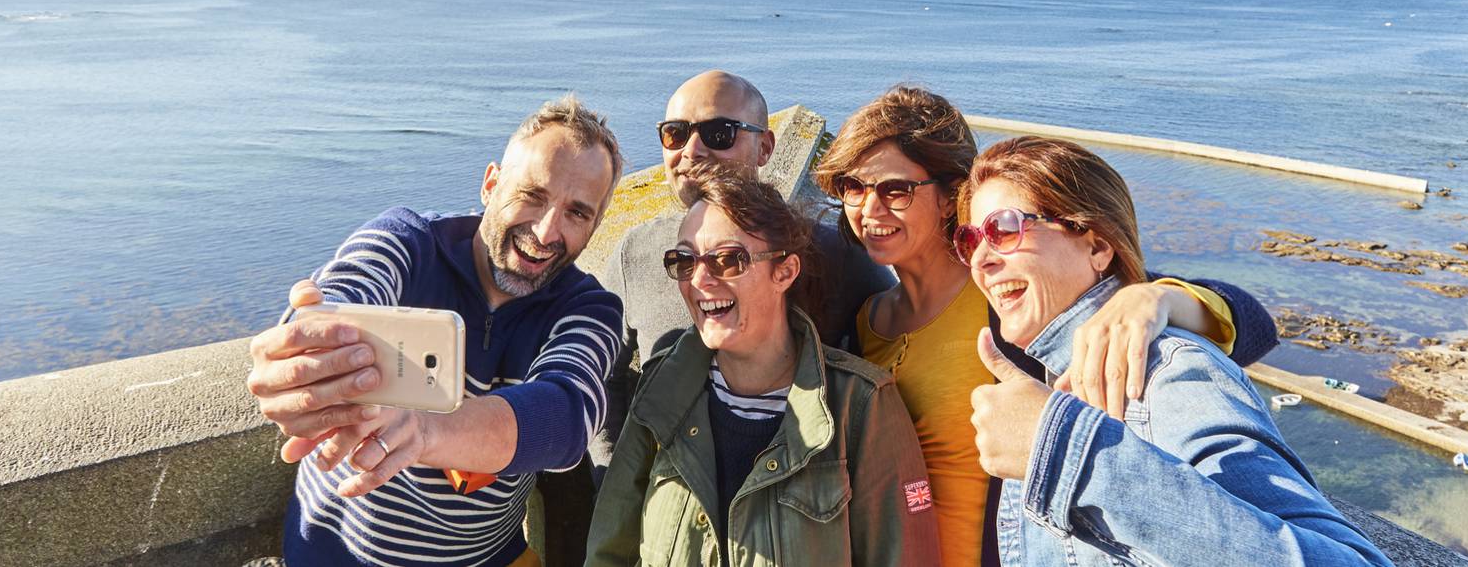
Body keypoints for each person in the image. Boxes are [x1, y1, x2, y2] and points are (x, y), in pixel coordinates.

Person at [807, 86, 1281, 567]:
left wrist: (1156, 296)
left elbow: (1256, 326)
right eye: (852, 188)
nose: (868, 210)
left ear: (951, 197)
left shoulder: (1011, 300)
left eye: (895, 190)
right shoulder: (867, 319)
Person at [962, 137, 1392, 566]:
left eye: (1003, 229)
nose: (981, 258)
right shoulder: (1030, 340)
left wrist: (1061, 449)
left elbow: (1352, 561)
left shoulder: (1168, 374)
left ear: (1096, 246)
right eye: (969, 239)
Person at [245, 95, 627, 567]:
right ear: (490, 185)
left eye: (577, 212)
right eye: (532, 196)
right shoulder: (407, 244)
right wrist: (304, 356)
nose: (547, 232)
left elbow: (567, 414)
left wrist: (426, 430)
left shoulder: (589, 308)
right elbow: (348, 291)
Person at [585, 166, 940, 567]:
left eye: (727, 260)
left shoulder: (861, 407)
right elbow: (608, 550)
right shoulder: (662, 390)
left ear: (784, 271)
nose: (699, 279)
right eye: (684, 260)